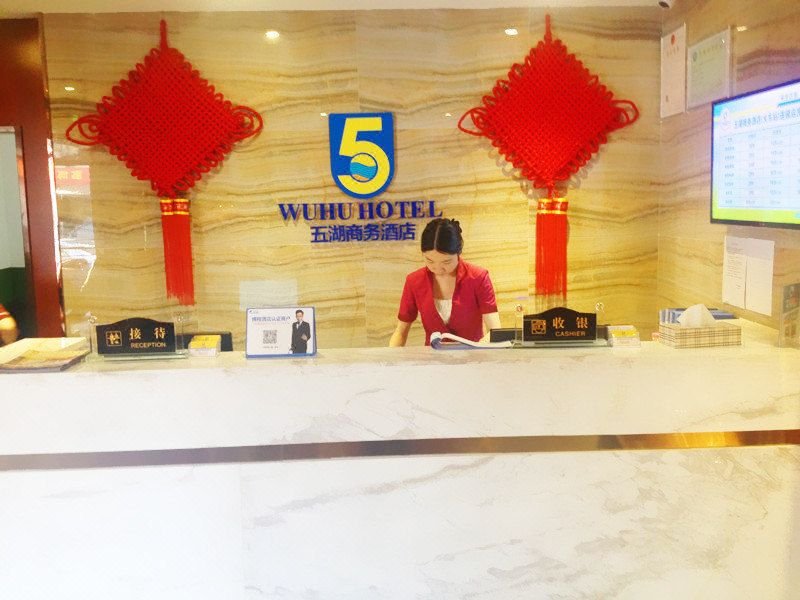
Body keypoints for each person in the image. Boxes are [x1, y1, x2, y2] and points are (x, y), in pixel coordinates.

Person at [389, 218, 501, 346]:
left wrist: (479, 348)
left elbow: (495, 331)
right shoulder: (414, 281)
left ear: (458, 252)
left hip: (472, 355)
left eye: (446, 262)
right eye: (430, 261)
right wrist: (390, 357)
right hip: (432, 357)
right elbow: (401, 332)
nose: (437, 268)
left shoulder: (478, 277)